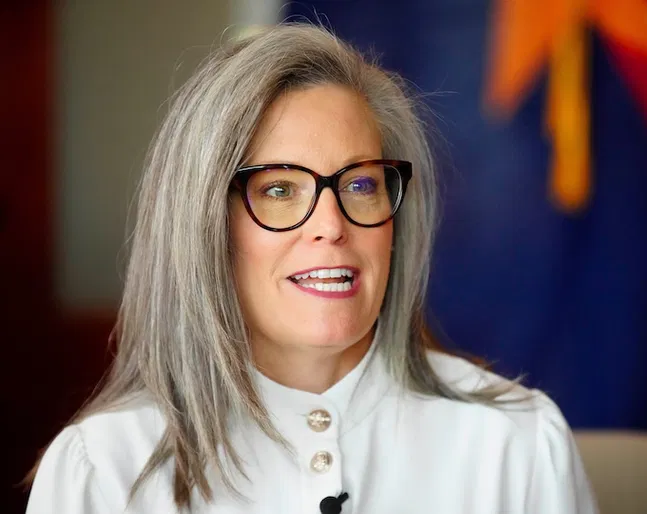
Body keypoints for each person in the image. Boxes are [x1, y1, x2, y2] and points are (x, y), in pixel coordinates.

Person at [26, 23, 597, 513]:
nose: (331, 224)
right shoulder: (100, 471)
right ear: (202, 224)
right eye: (279, 189)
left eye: (360, 184)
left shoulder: (517, 445)